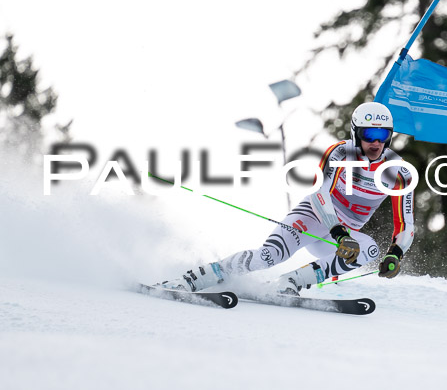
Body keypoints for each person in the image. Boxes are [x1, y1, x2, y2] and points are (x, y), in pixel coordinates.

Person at [157, 102, 415, 295]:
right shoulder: (340, 153)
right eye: (369, 135)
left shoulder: (399, 171)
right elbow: (320, 194)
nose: (376, 143)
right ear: (356, 133)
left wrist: (395, 254)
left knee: (369, 249)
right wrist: (338, 233)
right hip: (315, 218)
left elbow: (406, 223)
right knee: (269, 256)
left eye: (382, 136)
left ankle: (290, 283)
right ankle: (197, 277)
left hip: (343, 237)